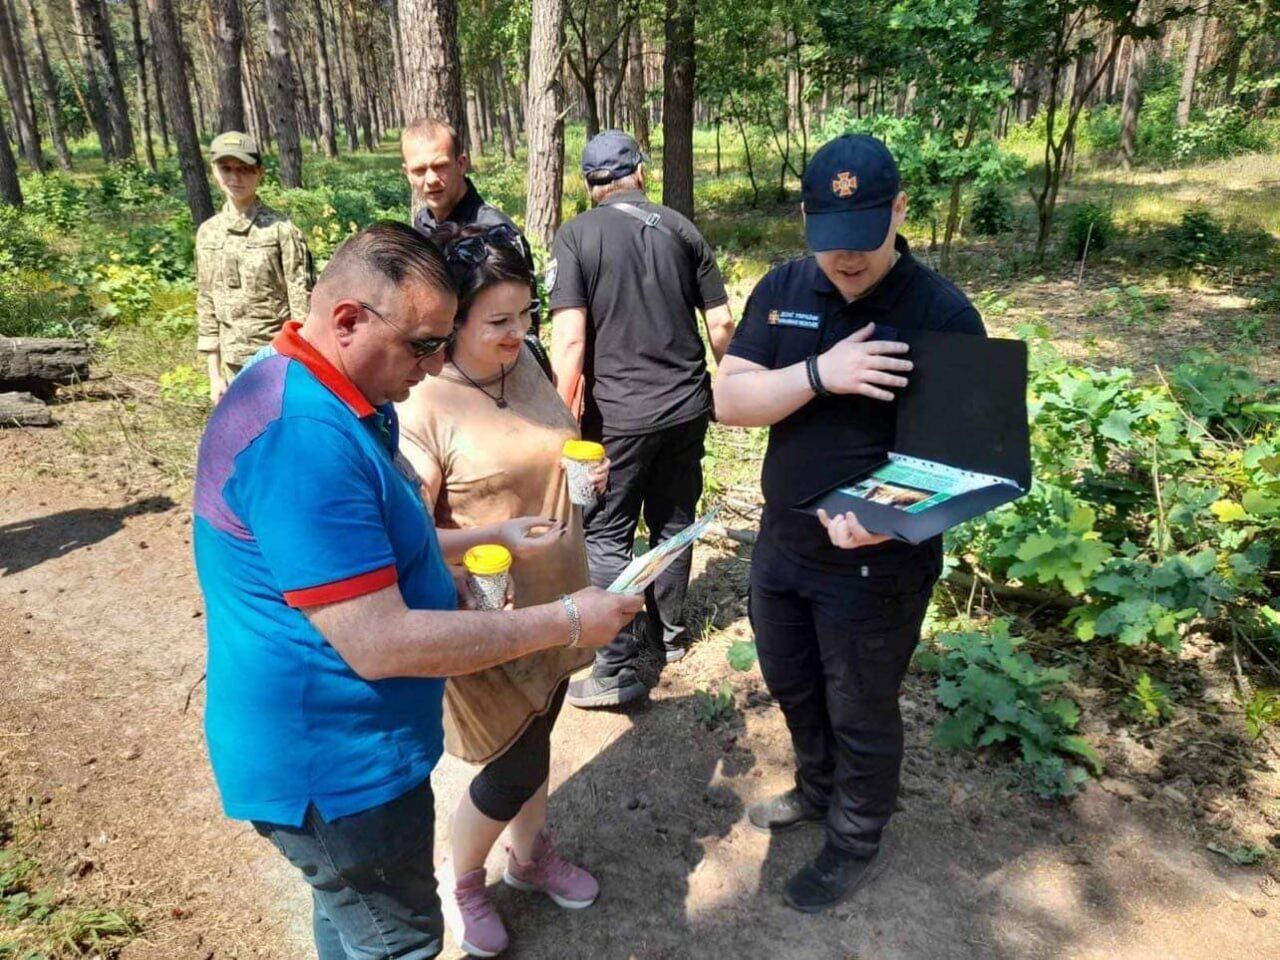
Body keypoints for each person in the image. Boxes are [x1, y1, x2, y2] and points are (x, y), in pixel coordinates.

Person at [192, 221, 643, 960]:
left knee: (349, 922)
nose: (433, 367)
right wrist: (565, 620)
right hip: (334, 773)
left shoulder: (327, 393)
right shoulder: (302, 436)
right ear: (347, 321)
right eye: (423, 345)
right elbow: (380, 639)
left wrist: (477, 541)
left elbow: (366, 551)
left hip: (351, 757)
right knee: (397, 940)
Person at [712, 135, 985, 913]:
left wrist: (884, 519)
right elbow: (730, 401)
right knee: (792, 682)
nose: (848, 261)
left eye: (865, 238)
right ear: (807, 220)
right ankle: (817, 787)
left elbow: (962, 464)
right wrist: (818, 375)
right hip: (784, 542)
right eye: (832, 241)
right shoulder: (784, 287)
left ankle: (855, 838)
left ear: (900, 210)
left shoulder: (942, 314)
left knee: (860, 705)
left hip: (877, 563)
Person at [397, 223, 610, 957]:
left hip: (559, 605)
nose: (517, 334)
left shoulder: (530, 364)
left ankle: (528, 858)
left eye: (525, 316)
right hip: (489, 616)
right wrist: (497, 540)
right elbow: (409, 538)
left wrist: (587, 476)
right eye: (498, 322)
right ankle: (463, 882)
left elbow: (553, 448)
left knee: (542, 733)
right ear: (452, 320)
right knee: (510, 760)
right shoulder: (422, 403)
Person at [548, 129, 736, 708]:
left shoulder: (576, 236)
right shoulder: (683, 229)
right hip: (686, 407)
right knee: (674, 519)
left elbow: (571, 339)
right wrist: (737, 392)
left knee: (607, 531)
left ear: (589, 184)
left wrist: (557, 418)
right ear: (642, 173)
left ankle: (614, 667)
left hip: (620, 419)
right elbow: (724, 327)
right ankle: (670, 635)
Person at [401, 118, 548, 373]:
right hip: (439, 372)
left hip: (496, 373)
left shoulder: (495, 233)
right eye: (419, 170)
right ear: (407, 173)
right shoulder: (422, 226)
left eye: (440, 166)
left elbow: (524, 323)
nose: (432, 179)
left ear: (461, 164)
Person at [196, 131, 313, 405]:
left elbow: (302, 302)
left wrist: (303, 366)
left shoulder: (282, 231)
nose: (235, 178)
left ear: (259, 173)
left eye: (245, 170)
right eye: (226, 169)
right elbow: (206, 301)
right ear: (214, 171)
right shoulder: (208, 233)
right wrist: (215, 375)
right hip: (232, 364)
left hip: (276, 359)